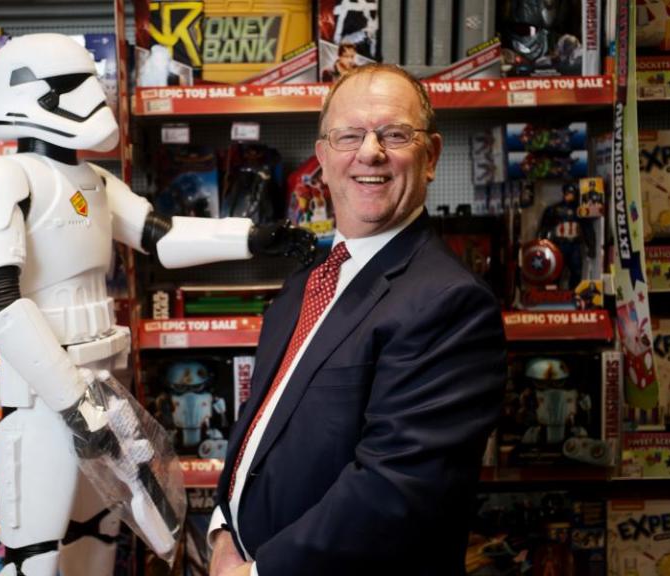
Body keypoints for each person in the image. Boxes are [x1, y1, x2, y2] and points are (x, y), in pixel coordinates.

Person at [0, 34, 314, 576]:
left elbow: (161, 236)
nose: (94, 98)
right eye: (75, 86)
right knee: (38, 558)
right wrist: (71, 399)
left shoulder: (96, 180)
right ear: (32, 94)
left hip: (102, 385)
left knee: (100, 540)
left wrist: (252, 237)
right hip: (45, 398)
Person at [208, 64, 507, 576]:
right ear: (323, 160)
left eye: (394, 134)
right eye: (350, 135)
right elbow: (262, 423)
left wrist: (256, 572)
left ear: (431, 156)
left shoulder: (450, 304)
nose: (370, 152)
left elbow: (394, 491)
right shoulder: (307, 283)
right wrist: (222, 529)